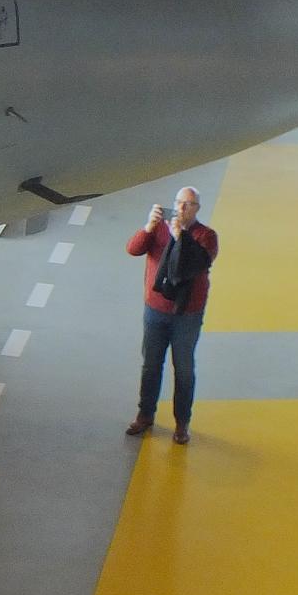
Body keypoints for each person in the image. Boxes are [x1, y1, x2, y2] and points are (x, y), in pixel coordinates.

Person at [124, 186, 219, 445]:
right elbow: (133, 249)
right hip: (155, 310)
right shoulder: (160, 229)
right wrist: (148, 226)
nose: (182, 208)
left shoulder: (206, 236)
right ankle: (145, 415)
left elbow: (196, 264)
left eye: (188, 204)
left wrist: (182, 237)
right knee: (151, 365)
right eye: (179, 203)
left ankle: (182, 423)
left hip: (187, 315)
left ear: (197, 208)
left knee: (184, 369)